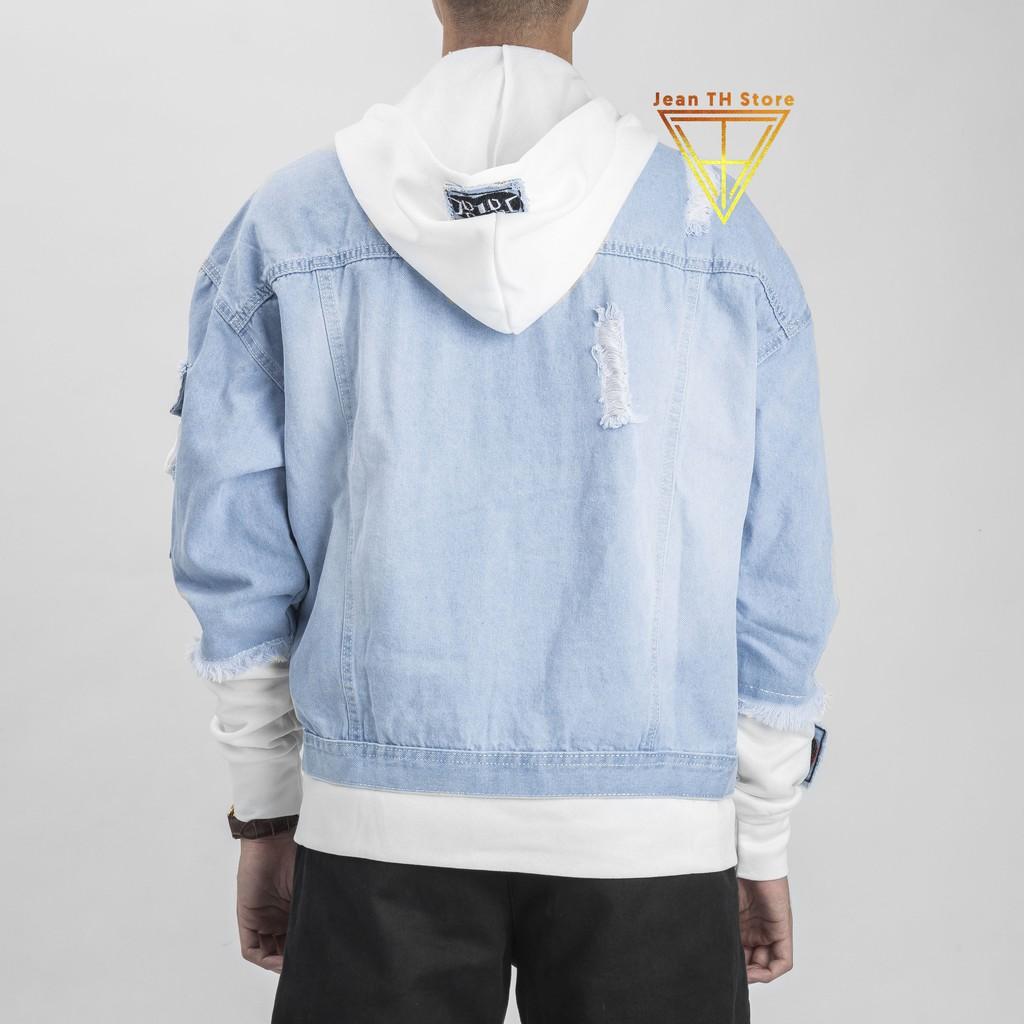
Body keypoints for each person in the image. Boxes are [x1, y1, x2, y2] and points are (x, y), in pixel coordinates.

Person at [166, 1, 837, 1020]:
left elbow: (233, 547)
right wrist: (762, 829)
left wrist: (267, 808)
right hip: (650, 832)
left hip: (377, 825)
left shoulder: (291, 222)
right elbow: (780, 566)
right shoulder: (714, 228)